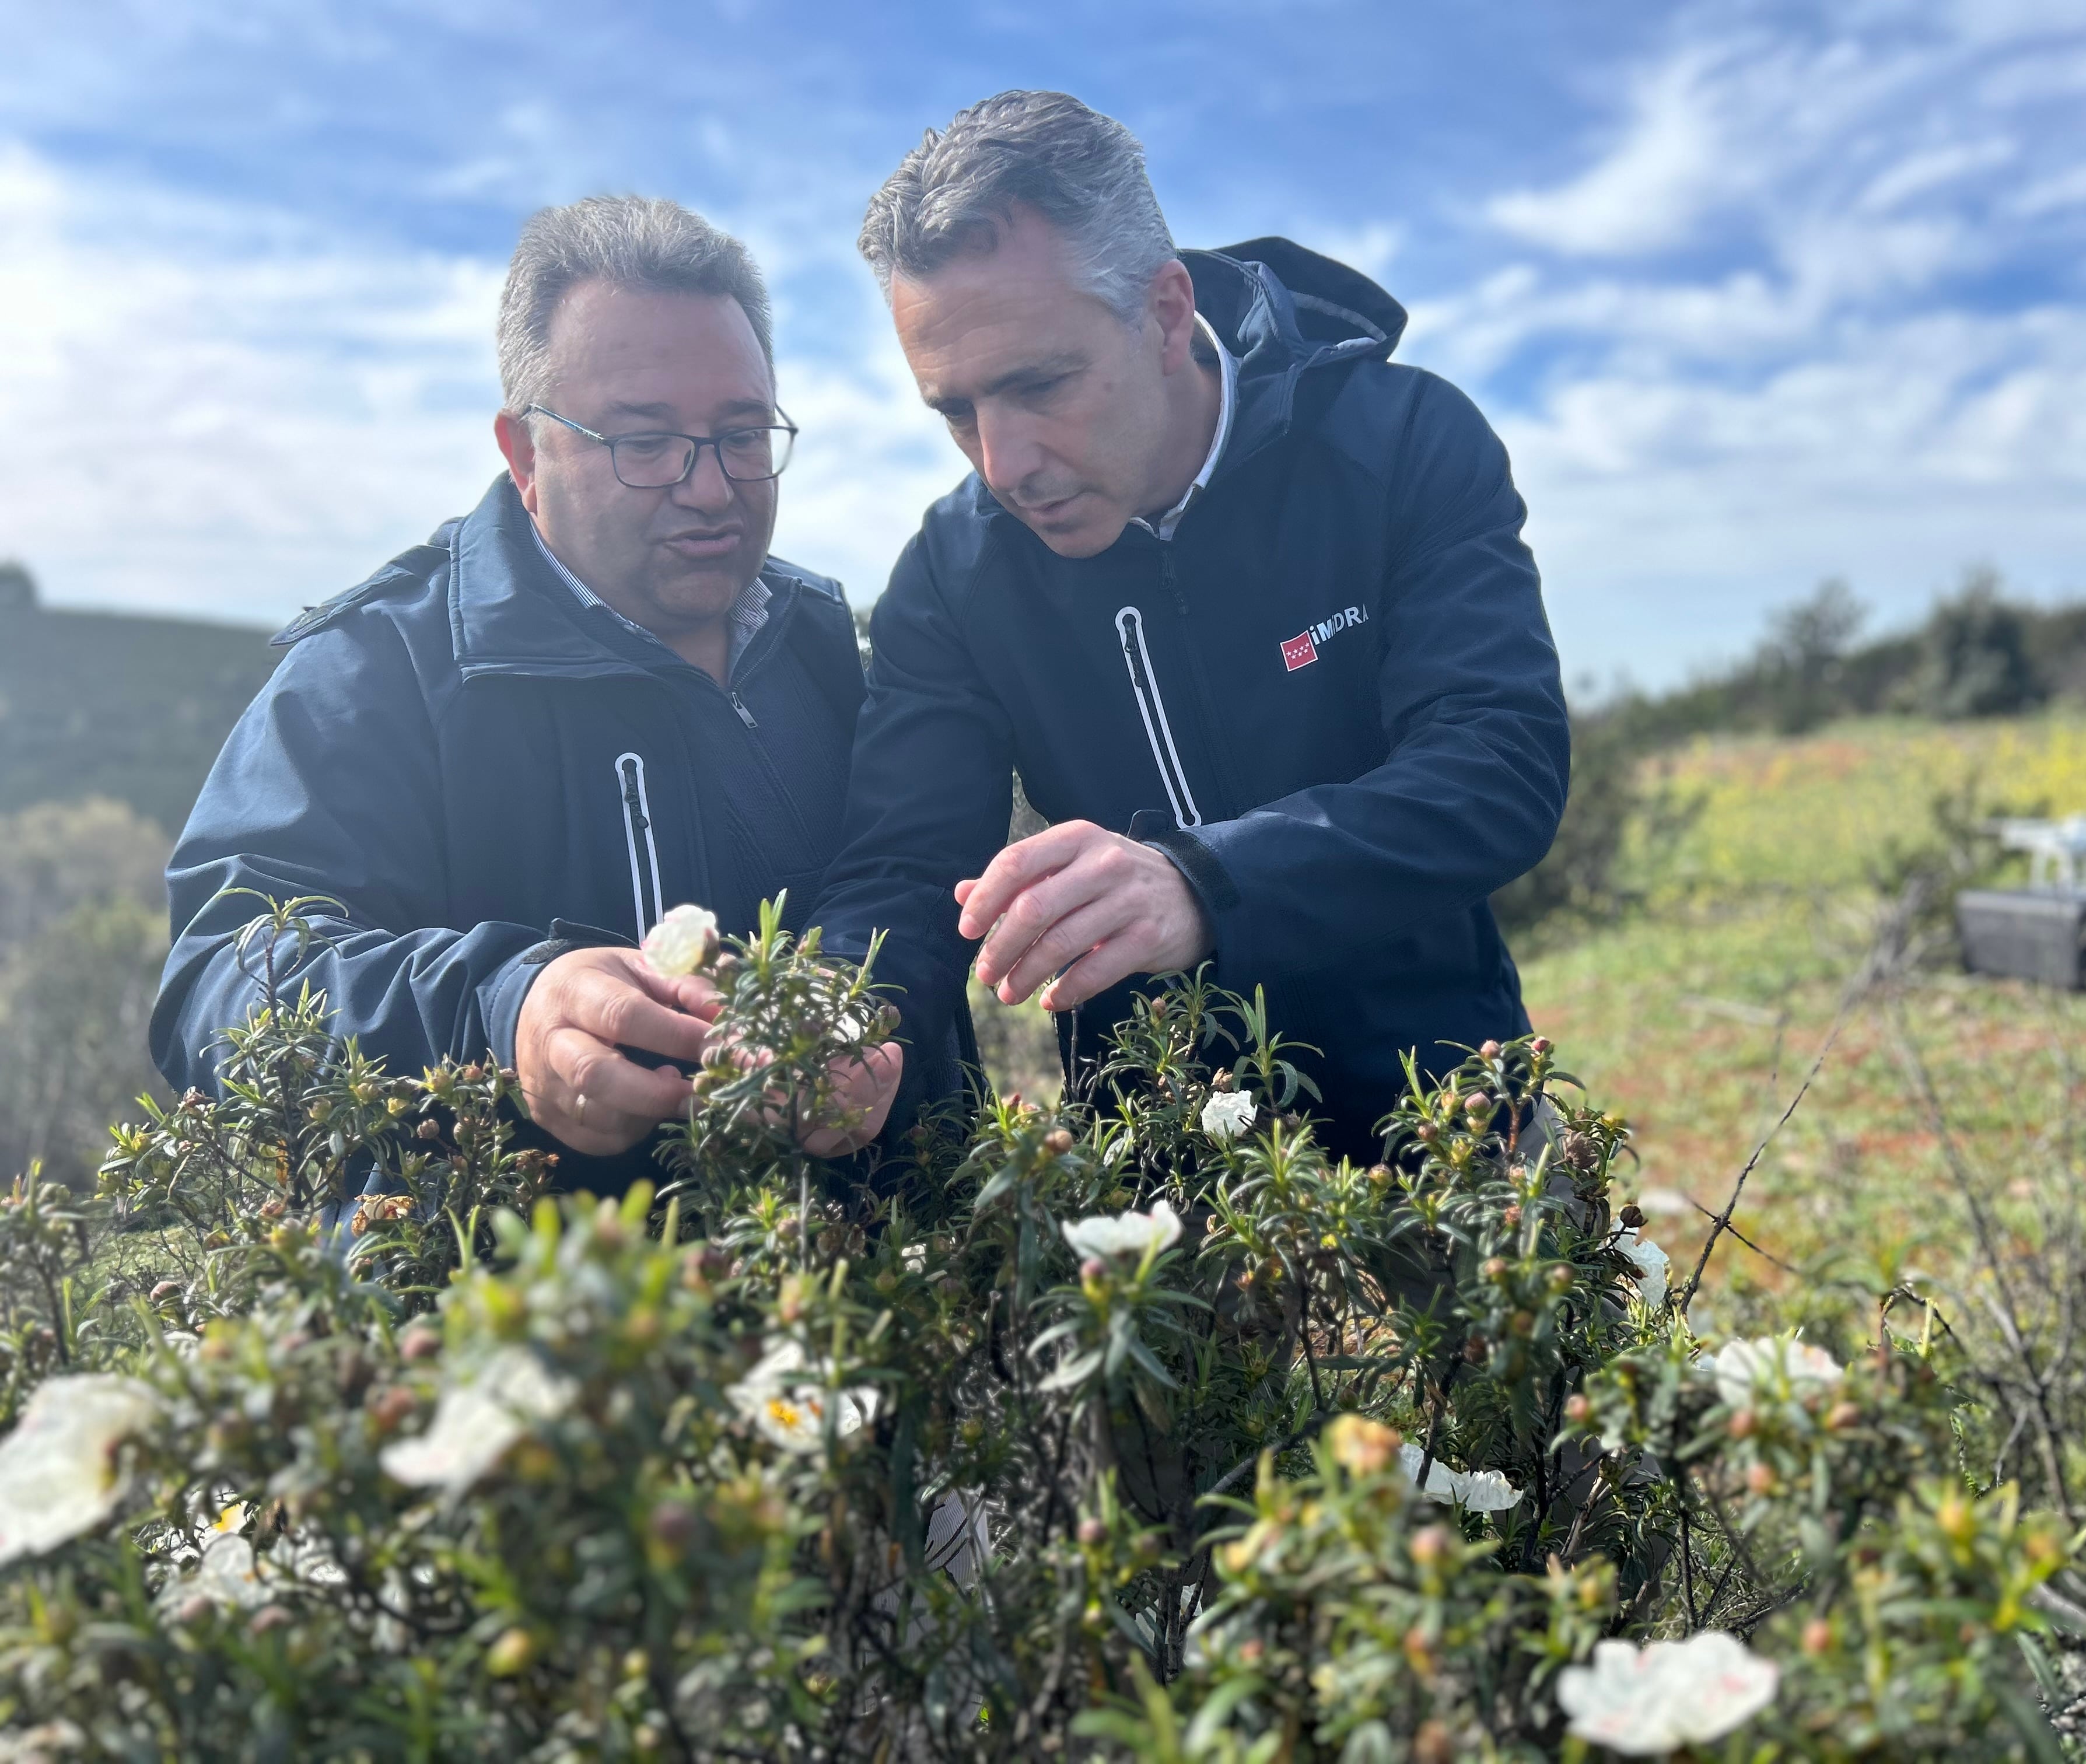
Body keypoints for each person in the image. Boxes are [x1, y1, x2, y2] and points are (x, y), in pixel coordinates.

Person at [813, 92, 1570, 1164]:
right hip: (1160, 1154)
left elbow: (1500, 764)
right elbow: (904, 861)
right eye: (954, 409)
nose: (1004, 462)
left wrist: (1204, 881)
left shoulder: (1400, 441)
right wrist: (852, 1015)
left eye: (1040, 383)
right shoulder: (950, 573)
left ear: (1166, 312)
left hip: (1447, 1103)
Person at [152, 195, 900, 1198]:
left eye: (741, 433)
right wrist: (503, 1012)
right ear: (524, 452)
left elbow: (900, 881)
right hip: (521, 1323)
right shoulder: (381, 667)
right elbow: (221, 973)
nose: (713, 487)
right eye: (645, 442)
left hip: (862, 1303)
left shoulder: (817, 640)